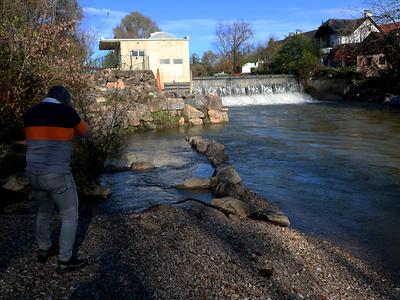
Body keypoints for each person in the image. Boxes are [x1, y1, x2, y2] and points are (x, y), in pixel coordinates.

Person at [24, 85, 89, 272]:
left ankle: (44, 248)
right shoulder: (66, 112)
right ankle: (65, 260)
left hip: (33, 173)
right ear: (64, 99)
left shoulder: (30, 113)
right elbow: (85, 132)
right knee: (70, 214)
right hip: (57, 174)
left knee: (44, 211)